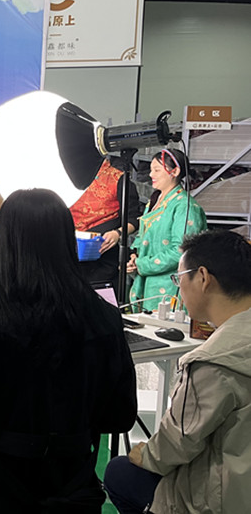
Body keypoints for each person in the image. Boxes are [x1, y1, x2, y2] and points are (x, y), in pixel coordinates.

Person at [0, 189, 137, 513]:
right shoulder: (104, 318)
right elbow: (120, 415)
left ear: (4, 244)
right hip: (72, 488)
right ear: (67, 243)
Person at [104, 230, 251, 513]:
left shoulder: (213, 362)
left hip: (225, 499)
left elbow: (176, 445)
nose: (178, 288)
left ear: (203, 278)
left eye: (179, 277)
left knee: (120, 471)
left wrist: (146, 454)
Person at [127, 149, 207, 311]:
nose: (151, 174)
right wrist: (134, 258)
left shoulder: (185, 206)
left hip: (170, 288)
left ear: (175, 172)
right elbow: (142, 237)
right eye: (151, 170)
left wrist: (142, 264)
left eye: (157, 170)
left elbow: (182, 252)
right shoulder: (155, 201)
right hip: (148, 284)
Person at [69, 156, 141, 287]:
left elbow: (134, 219)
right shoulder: (68, 178)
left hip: (102, 258)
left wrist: (117, 233)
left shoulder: (118, 178)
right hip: (69, 255)